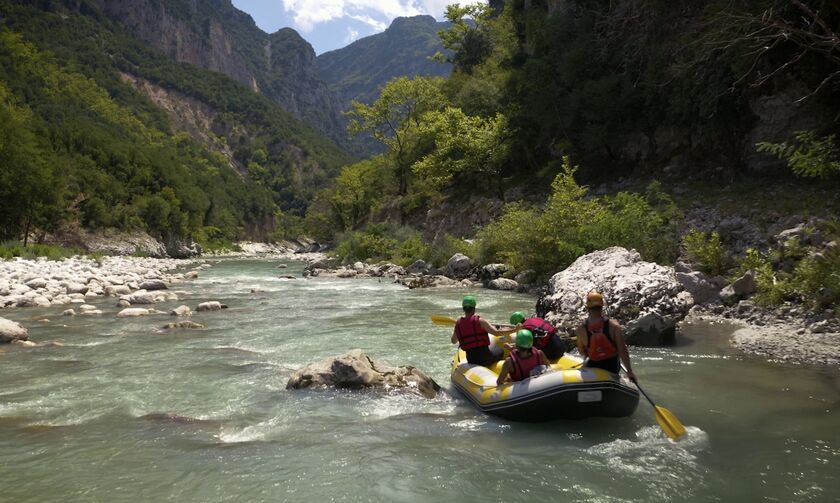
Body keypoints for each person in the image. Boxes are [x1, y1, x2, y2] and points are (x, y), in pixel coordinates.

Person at [575, 291, 636, 382]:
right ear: (602, 306)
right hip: (611, 366)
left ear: (587, 307)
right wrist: (630, 372)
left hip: (593, 365)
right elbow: (622, 350)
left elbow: (581, 351)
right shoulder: (614, 326)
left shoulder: (580, 329)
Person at [451, 295, 518, 366]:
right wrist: (515, 329)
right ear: (474, 308)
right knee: (500, 350)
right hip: (485, 359)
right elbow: (496, 333)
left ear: (463, 309)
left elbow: (453, 341)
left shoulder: (458, 324)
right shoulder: (480, 321)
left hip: (471, 359)